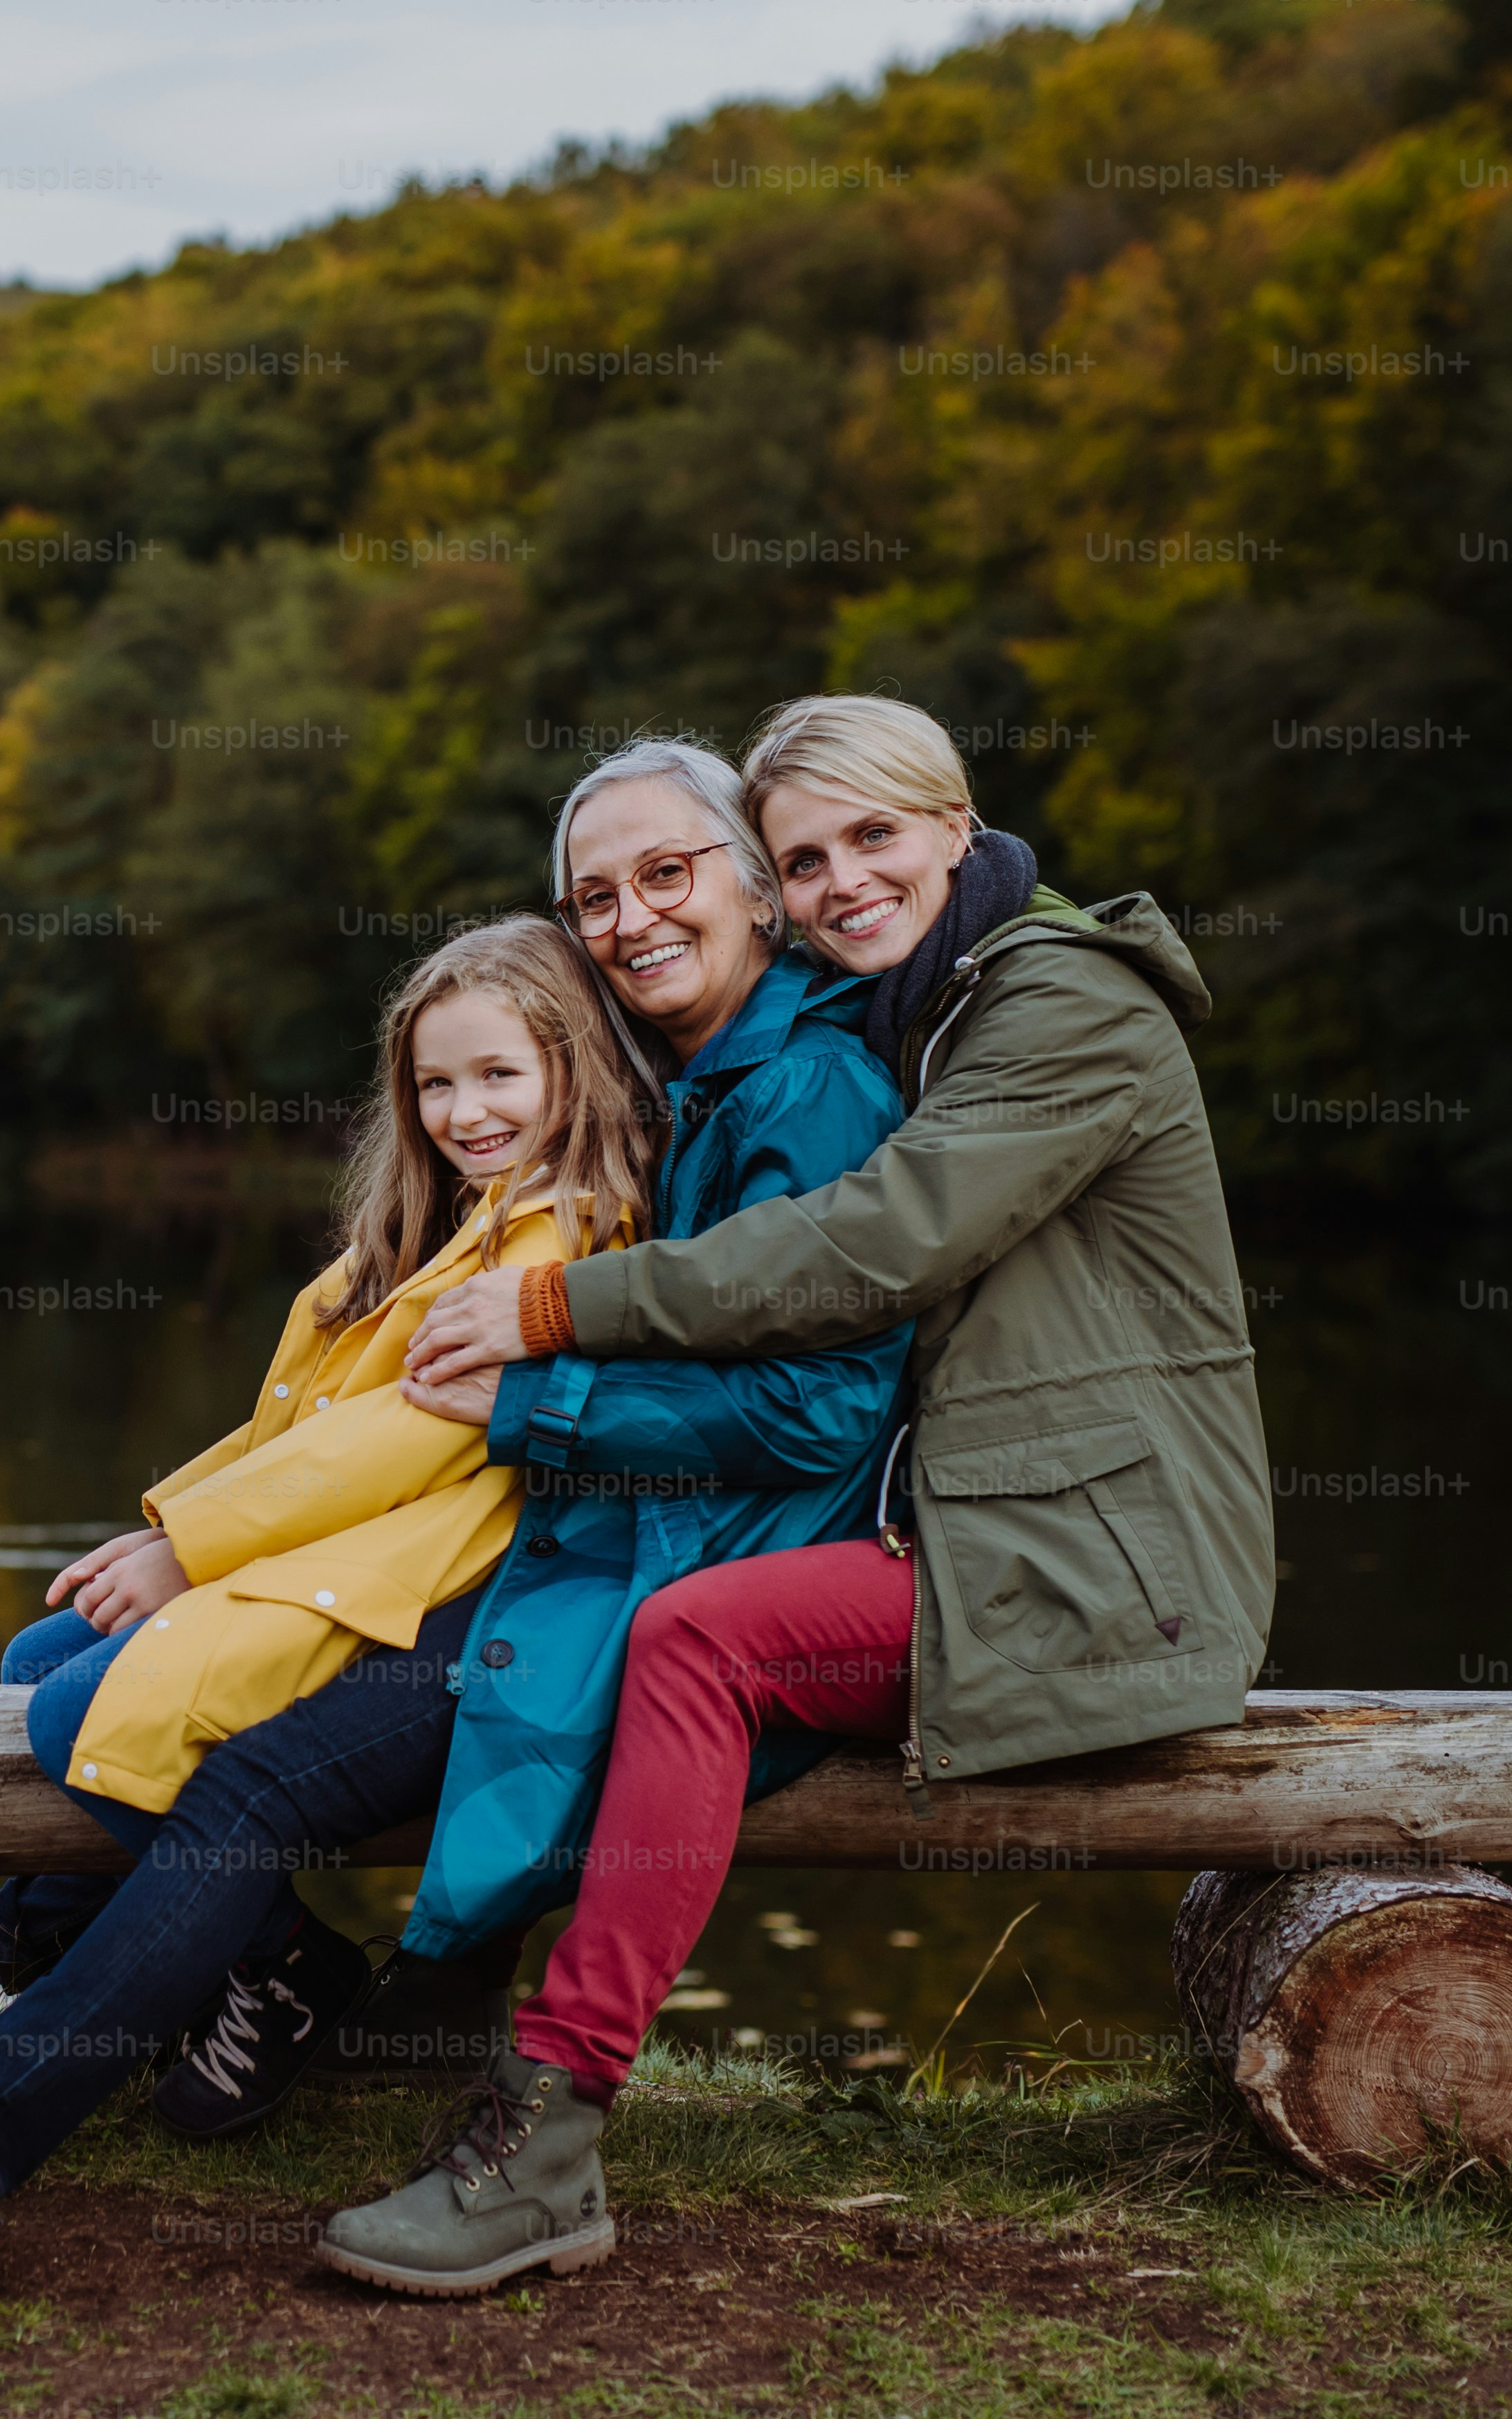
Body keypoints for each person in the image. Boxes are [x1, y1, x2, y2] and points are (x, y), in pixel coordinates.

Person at [0, 740, 908, 2301]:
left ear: (755, 889)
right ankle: (84, 2018)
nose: (633, 916)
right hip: (570, 1565)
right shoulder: (688, 1095)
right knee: (169, 1731)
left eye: (668, 874)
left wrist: (506, 1402)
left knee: (232, 1780)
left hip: (641, 1590)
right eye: (596, 895)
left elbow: (796, 1413)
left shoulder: (791, 1092)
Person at [313, 694, 1273, 2296]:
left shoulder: (1066, 1010)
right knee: (590, 1613)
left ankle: (545, 2134)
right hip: (982, 1530)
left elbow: (873, 1242)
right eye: (803, 856)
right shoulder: (925, 1003)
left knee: (697, 1635)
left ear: (958, 830)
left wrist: (562, 1317)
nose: (837, 884)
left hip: (1101, 1566)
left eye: (873, 839)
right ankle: (413, 1985)